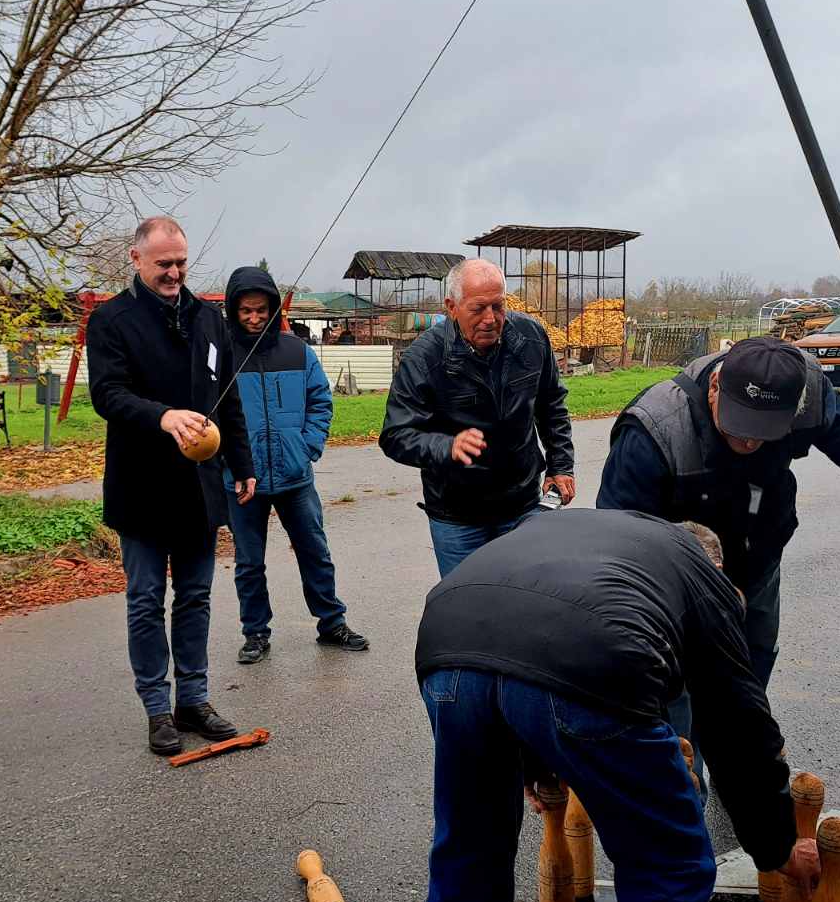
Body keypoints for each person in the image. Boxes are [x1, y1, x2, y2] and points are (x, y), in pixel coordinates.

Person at [410, 507, 819, 902]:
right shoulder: (703, 580)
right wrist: (777, 844)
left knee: (471, 832)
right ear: (715, 568)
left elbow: (522, 643)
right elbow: (738, 723)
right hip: (586, 664)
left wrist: (537, 758)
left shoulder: (588, 532)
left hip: (450, 646)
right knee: (668, 867)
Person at [596, 336, 840, 786]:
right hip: (675, 582)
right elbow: (619, 539)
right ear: (716, 386)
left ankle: (742, 777)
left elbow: (838, 427)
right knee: (674, 687)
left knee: (749, 668)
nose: (748, 440)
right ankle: (682, 793)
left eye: (763, 430)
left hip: (756, 554)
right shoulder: (655, 430)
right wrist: (693, 590)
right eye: (739, 425)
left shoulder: (806, 388)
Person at [88, 216, 257, 755]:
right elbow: (107, 394)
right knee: (145, 599)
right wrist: (162, 417)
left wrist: (242, 462)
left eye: (181, 262)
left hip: (198, 490)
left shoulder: (208, 320)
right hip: (139, 486)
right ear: (136, 259)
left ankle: (194, 699)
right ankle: (157, 708)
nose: (174, 272)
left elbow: (228, 397)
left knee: (196, 596)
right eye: (164, 263)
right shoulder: (111, 320)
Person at [379, 258, 576, 577]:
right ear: (452, 307)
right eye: (478, 308)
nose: (490, 319)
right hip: (457, 516)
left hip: (522, 504)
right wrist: (446, 447)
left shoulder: (531, 338)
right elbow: (395, 435)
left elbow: (551, 405)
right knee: (466, 600)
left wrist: (560, 466)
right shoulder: (424, 358)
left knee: (526, 594)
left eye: (498, 306)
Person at [221, 266, 367, 664]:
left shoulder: (297, 351)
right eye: (246, 311)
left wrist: (307, 447)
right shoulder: (221, 356)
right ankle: (255, 633)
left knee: (314, 550)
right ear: (233, 310)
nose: (254, 318)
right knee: (249, 562)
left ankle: (332, 623)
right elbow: (207, 414)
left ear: (272, 309)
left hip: (295, 474)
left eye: (261, 310)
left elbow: (321, 401)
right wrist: (227, 459)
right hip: (242, 479)